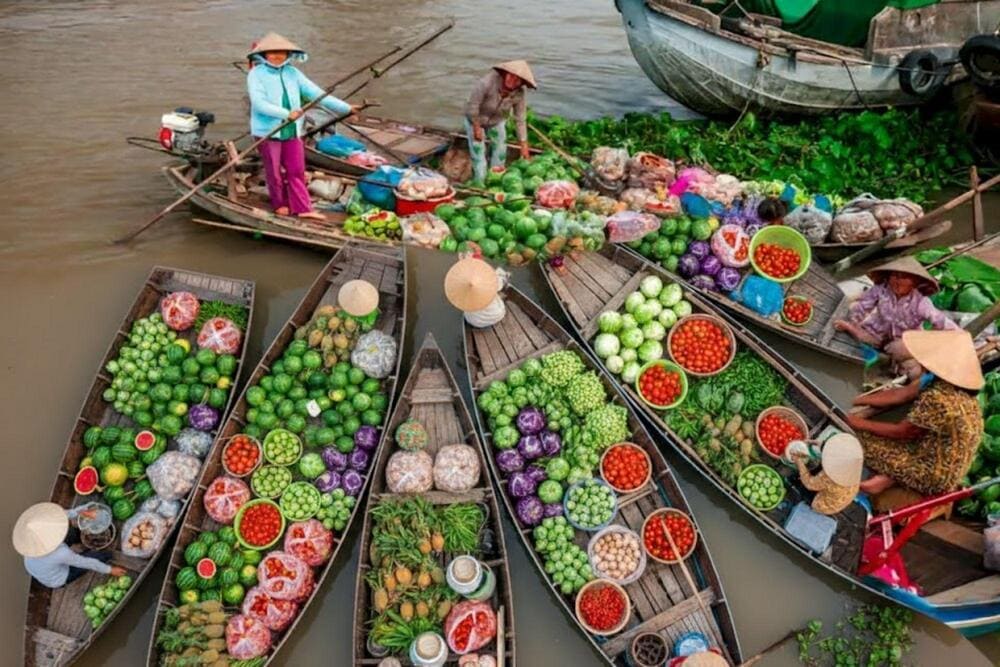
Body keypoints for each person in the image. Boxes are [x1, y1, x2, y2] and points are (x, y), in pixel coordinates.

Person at [848, 329, 984, 496]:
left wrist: (856, 422)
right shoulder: (962, 394)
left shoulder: (937, 397)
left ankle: (890, 478)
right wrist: (857, 399)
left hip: (932, 474)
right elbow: (901, 394)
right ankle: (888, 478)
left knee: (857, 437)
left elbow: (902, 432)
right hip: (943, 464)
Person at [246, 33, 359, 220]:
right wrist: (286, 113)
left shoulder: (292, 73)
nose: (276, 56)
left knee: (296, 170)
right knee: (274, 171)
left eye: (281, 52)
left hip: (292, 130)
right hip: (268, 131)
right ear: (264, 55)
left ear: (288, 54)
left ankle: (303, 208)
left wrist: (346, 108)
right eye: (272, 52)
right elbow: (259, 104)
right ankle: (279, 203)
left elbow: (316, 94)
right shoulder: (256, 74)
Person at [834, 256, 958, 380]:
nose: (898, 281)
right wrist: (852, 321)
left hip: (902, 343)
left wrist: (916, 343)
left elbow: (948, 327)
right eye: (895, 276)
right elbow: (862, 307)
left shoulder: (921, 303)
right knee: (856, 332)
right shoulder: (881, 290)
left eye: (904, 277)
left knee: (913, 372)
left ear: (915, 282)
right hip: (876, 334)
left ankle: (896, 366)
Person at [14, 503, 126, 589]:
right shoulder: (61, 553)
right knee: (100, 556)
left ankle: (79, 540)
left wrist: (85, 510)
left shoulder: (32, 544)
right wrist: (110, 570)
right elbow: (86, 562)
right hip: (59, 578)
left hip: (42, 567)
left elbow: (65, 514)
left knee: (71, 532)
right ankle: (106, 555)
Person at [464, 60, 537, 185]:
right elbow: (473, 107)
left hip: (496, 121)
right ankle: (480, 183)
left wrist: (524, 145)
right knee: (478, 154)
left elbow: (520, 119)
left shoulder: (519, 93)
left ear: (521, 83)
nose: (513, 81)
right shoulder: (486, 83)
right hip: (475, 119)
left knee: (500, 152)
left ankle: (496, 181)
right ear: (505, 74)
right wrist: (476, 127)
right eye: (511, 76)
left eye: (517, 80)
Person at [792, 433, 863, 515]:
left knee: (804, 486)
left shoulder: (830, 477)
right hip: (845, 495)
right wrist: (813, 442)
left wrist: (798, 461)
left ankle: (801, 493)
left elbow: (809, 483)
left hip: (826, 505)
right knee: (818, 474)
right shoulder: (852, 464)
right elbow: (832, 450)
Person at [444, 257, 509, 328]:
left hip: (473, 320)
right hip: (494, 316)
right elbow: (501, 281)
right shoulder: (487, 280)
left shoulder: (462, 288)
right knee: (498, 283)